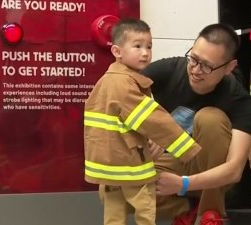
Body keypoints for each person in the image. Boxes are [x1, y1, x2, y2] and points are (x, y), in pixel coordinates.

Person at [83, 18, 202, 225]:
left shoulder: (106, 81)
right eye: (137, 46)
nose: (145, 52)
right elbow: (154, 120)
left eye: (149, 46)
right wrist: (187, 148)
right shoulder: (124, 84)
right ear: (117, 52)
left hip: (107, 166)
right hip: (128, 163)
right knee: (145, 209)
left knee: (113, 215)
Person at [140, 23, 251, 225]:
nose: (195, 70)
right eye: (193, 58)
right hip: (172, 164)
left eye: (207, 66)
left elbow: (235, 170)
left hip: (211, 170)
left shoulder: (238, 100)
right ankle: (189, 210)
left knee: (209, 118)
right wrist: (154, 130)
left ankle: (210, 214)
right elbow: (118, 93)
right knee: (117, 189)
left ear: (229, 67)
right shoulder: (169, 70)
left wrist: (183, 185)